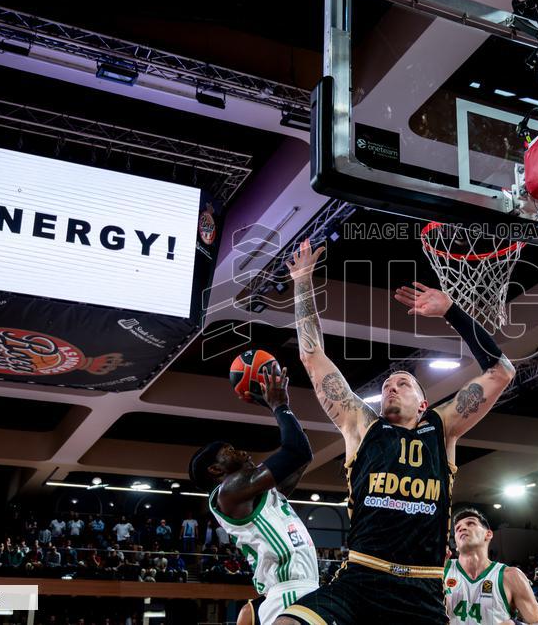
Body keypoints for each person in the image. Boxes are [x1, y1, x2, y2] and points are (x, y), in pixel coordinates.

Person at [277, 240, 515, 625]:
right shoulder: (361, 426)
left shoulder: (442, 428)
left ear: (423, 403)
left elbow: (502, 372)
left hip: (421, 590)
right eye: (388, 384)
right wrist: (303, 281)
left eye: (403, 383)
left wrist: (452, 311)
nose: (391, 386)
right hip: (360, 580)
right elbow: (311, 355)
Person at [189, 366, 318, 625]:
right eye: (230, 450)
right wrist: (279, 406)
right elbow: (296, 452)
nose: (241, 451)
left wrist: (273, 405)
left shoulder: (261, 493)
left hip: (305, 588)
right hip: (288, 592)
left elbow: (303, 452)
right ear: (216, 469)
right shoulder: (229, 492)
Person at [446, 508, 538, 625]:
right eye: (457, 529)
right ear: (456, 545)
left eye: (470, 523)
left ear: (488, 534)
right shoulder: (442, 570)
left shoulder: (510, 576)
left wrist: (516, 624)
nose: (462, 528)